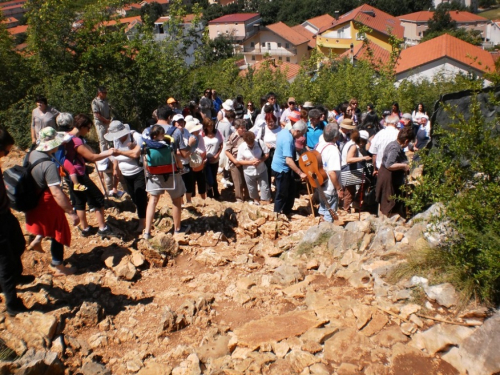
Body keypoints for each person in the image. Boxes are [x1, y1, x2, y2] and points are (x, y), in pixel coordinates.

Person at [26, 127, 80, 276]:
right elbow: (56, 192)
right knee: (59, 230)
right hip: (48, 200)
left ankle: (37, 239)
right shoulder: (48, 165)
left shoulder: (32, 154)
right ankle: (59, 266)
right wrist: (71, 212)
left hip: (35, 197)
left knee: (48, 224)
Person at [0, 126, 35, 316]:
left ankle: (16, 275)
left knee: (19, 244)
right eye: (5, 151)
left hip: (5, 213)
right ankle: (12, 303)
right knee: (4, 260)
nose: (6, 155)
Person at [64, 114, 117, 238]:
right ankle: (102, 228)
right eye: (88, 128)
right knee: (97, 198)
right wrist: (108, 152)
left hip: (70, 175)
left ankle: (85, 229)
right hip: (80, 175)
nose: (88, 131)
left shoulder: (66, 136)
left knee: (79, 200)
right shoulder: (76, 140)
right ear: (81, 126)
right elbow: (92, 157)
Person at [143, 114, 190, 238]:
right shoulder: (168, 146)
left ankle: (147, 231)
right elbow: (176, 160)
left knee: (152, 201)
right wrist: (182, 168)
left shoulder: (147, 146)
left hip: (154, 176)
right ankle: (177, 229)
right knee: (176, 200)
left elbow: (145, 162)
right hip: (171, 175)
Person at [105, 121, 148, 234]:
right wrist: (115, 171)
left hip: (139, 172)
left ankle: (142, 222)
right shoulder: (116, 140)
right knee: (134, 197)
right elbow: (116, 158)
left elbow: (135, 154)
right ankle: (144, 212)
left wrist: (119, 152)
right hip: (125, 174)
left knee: (139, 197)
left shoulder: (136, 137)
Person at [376, 127, 413, 219]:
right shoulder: (395, 148)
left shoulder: (393, 144)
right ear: (406, 141)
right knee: (388, 204)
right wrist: (403, 166)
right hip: (388, 177)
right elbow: (389, 164)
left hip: (389, 176)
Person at [271, 120, 307, 216]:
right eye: (302, 134)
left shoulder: (284, 131)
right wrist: (300, 173)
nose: (301, 137)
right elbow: (288, 160)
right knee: (282, 192)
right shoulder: (288, 139)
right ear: (298, 131)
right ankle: (277, 213)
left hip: (282, 166)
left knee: (291, 188)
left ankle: (287, 211)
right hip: (282, 168)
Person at [91, 86, 121, 197]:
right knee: (102, 139)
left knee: (109, 138)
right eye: (104, 92)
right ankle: (103, 155)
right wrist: (106, 120)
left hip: (108, 121)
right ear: (99, 93)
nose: (105, 94)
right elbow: (97, 115)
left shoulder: (106, 101)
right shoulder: (95, 102)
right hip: (100, 123)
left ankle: (109, 152)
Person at [315, 123, 342, 222]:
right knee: (329, 213)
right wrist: (339, 188)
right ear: (336, 137)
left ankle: (320, 229)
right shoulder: (333, 150)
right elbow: (331, 172)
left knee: (323, 207)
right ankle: (326, 233)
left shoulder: (320, 145)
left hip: (320, 183)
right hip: (330, 187)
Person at [340, 130, 372, 211]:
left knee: (350, 191)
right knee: (349, 193)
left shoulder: (349, 143)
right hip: (348, 171)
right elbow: (349, 159)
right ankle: (346, 210)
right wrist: (363, 158)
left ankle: (351, 206)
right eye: (364, 142)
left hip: (348, 170)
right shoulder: (353, 146)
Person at [237, 131, 270, 205]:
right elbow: (239, 160)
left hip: (261, 169)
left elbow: (267, 154)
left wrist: (260, 160)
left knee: (265, 187)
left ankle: (266, 202)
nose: (251, 144)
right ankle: (256, 201)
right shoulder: (242, 147)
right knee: (252, 188)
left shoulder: (259, 142)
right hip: (249, 171)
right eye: (249, 143)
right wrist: (250, 162)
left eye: (252, 142)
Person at [225, 120, 249, 203]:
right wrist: (234, 161)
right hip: (235, 162)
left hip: (246, 162)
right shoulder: (232, 137)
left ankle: (248, 197)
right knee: (238, 182)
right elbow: (227, 151)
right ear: (237, 128)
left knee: (246, 181)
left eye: (244, 128)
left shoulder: (246, 136)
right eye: (241, 128)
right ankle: (239, 198)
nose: (243, 130)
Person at [184, 120, 207, 204]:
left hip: (200, 165)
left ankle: (204, 200)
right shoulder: (187, 140)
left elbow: (203, 149)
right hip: (191, 166)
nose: (198, 131)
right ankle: (191, 201)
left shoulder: (200, 138)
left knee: (202, 183)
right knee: (190, 185)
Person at [202, 118, 223, 199]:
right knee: (207, 177)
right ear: (205, 127)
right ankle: (209, 194)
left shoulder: (218, 132)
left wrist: (217, 155)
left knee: (214, 176)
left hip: (215, 158)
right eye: (209, 126)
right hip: (205, 159)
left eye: (212, 126)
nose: (210, 127)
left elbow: (221, 145)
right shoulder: (202, 134)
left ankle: (216, 193)